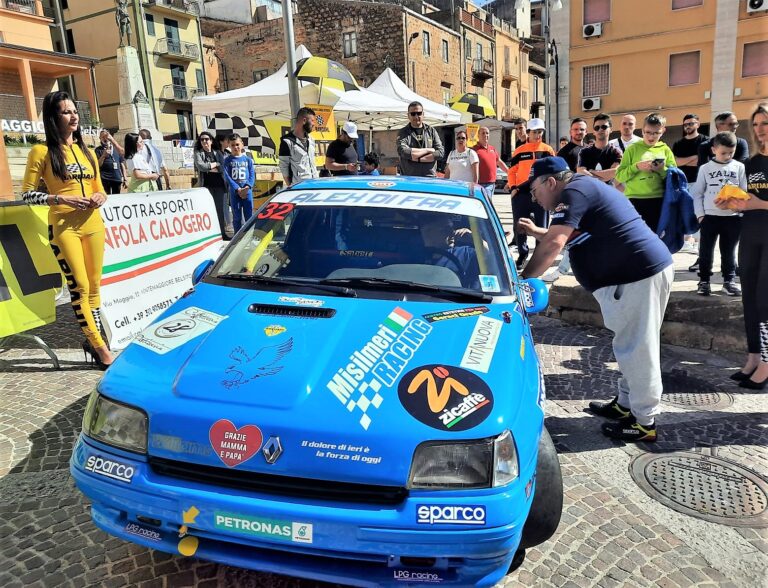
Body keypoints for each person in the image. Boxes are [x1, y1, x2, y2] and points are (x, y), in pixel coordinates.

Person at [518, 157, 673, 441]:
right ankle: (626, 405)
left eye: (534, 190)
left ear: (550, 182)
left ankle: (644, 421)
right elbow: (572, 234)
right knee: (628, 344)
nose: (534, 198)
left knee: (638, 348)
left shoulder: (574, 192)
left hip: (637, 274)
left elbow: (556, 243)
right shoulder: (580, 189)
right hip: (635, 275)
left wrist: (520, 283)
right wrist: (538, 232)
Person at [21, 91, 114, 369]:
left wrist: (100, 197)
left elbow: (100, 189)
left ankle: (97, 341)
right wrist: (61, 198)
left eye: (74, 111)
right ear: (53, 117)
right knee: (80, 288)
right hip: (64, 226)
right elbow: (26, 194)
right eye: (65, 112)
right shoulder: (41, 152)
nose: (73, 116)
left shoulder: (87, 152)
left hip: (94, 225)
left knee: (95, 286)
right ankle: (100, 348)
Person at [723, 102, 768, 390]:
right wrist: (734, 202)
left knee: (765, 300)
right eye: (756, 124)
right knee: (749, 297)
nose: (760, 130)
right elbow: (748, 201)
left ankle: (766, 362)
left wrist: (758, 203)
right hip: (750, 233)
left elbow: (758, 201)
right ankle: (754, 356)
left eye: (765, 123)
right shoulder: (751, 163)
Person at [690, 131, 746, 297]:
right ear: (714, 150)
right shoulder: (705, 168)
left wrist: (739, 209)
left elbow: (744, 191)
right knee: (705, 251)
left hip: (732, 218)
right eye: (723, 153)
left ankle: (729, 281)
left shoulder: (739, 167)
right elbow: (697, 193)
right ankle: (704, 281)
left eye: (731, 152)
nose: (727, 156)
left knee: (729, 252)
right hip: (710, 218)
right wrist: (700, 215)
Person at [615, 113, 677, 232]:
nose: (651, 136)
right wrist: (636, 167)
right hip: (634, 199)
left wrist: (661, 170)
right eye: (647, 132)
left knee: (654, 237)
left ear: (663, 131)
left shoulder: (665, 149)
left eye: (656, 133)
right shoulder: (632, 149)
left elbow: (674, 178)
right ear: (642, 130)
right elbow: (619, 176)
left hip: (658, 199)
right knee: (634, 236)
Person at [507, 118, 555, 269]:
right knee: (520, 225)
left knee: (541, 225)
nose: (538, 135)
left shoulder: (548, 149)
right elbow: (512, 171)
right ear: (528, 133)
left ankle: (539, 256)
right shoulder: (520, 150)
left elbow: (554, 170)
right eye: (535, 132)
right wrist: (513, 188)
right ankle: (522, 253)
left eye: (540, 132)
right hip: (521, 193)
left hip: (541, 193)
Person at [419, 215, 480, 288]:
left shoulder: (464, 253)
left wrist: (474, 239)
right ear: (427, 233)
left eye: (452, 228)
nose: (452, 233)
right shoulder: (411, 255)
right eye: (445, 229)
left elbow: (492, 258)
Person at [194, 131, 229, 240]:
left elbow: (222, 167)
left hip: (219, 185)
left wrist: (210, 167)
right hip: (206, 186)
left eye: (206, 139)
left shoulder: (217, 152)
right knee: (207, 210)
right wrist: (214, 165)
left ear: (211, 141)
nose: (204, 141)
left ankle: (222, 233)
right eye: (202, 139)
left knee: (220, 211)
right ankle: (209, 235)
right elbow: (201, 167)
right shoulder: (198, 153)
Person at [396, 101, 444, 177]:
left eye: (419, 113)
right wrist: (428, 150)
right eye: (413, 114)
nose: (416, 116)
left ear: (423, 114)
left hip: (429, 177)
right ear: (408, 115)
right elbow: (403, 152)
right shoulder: (403, 132)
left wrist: (417, 158)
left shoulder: (431, 131)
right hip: (409, 178)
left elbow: (440, 153)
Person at [223, 133, 255, 233]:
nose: (235, 147)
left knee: (249, 217)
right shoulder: (227, 160)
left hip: (247, 192)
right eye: (232, 145)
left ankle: (249, 236)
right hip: (235, 193)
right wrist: (237, 189)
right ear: (229, 146)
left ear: (242, 144)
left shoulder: (248, 160)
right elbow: (227, 176)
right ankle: (237, 239)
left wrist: (247, 187)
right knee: (236, 217)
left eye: (237, 144)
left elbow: (252, 175)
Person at [577, 113, 622, 184]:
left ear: (611, 129)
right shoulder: (585, 152)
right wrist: (603, 176)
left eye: (604, 127)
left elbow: (614, 172)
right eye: (597, 128)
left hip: (608, 192)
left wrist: (592, 172)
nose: (600, 129)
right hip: (590, 191)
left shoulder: (616, 152)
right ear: (594, 132)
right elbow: (581, 172)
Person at [279, 107, 319, 186]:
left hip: (315, 183)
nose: (314, 124)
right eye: (312, 121)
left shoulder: (311, 140)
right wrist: (291, 187)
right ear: (304, 121)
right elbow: (284, 167)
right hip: (300, 187)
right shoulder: (287, 142)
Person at [473, 127, 508, 201]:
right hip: (480, 184)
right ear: (478, 136)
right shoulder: (474, 150)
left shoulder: (492, 148)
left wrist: (509, 172)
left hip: (492, 184)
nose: (485, 135)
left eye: (487, 133)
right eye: (483, 133)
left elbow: (499, 162)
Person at [95, 130, 127, 195]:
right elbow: (97, 165)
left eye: (106, 136)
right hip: (104, 179)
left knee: (116, 198)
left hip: (116, 178)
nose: (105, 139)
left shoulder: (116, 149)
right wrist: (103, 156)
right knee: (106, 198)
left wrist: (125, 178)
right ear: (100, 138)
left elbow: (121, 164)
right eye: (103, 137)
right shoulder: (98, 150)